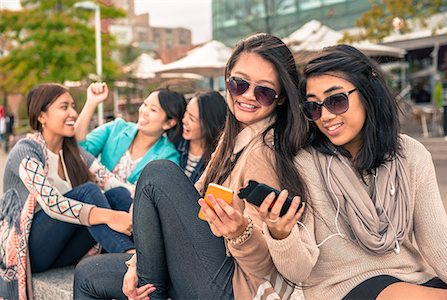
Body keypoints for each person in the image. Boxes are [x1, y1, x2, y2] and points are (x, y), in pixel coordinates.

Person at [73, 32, 310, 299]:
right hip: (201, 264)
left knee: (157, 174)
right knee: (88, 275)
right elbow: (194, 195)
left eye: (264, 91)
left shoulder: (265, 151)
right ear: (228, 81)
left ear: (280, 98)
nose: (248, 96)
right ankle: (150, 286)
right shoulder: (232, 139)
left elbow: (265, 265)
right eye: (239, 83)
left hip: (233, 285)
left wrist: (240, 232)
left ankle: (152, 292)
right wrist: (137, 262)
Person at [261, 45, 447, 300]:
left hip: (413, 281)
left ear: (368, 94)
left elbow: (437, 242)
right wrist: (281, 235)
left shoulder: (411, 154)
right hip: (344, 288)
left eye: (336, 100)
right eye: (314, 108)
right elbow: (298, 271)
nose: (325, 116)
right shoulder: (305, 165)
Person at [0, 83, 136, 300]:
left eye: (73, 106)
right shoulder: (25, 152)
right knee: (89, 192)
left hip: (62, 250)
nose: (73, 113)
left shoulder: (75, 154)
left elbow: (113, 183)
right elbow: (52, 203)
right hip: (30, 252)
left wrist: (147, 196)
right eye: (64, 107)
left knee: (117, 195)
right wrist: (111, 216)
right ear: (42, 116)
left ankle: (147, 254)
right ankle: (131, 258)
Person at [75, 83, 186, 184]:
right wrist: (91, 102)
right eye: (145, 104)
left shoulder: (168, 158)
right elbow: (78, 149)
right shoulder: (117, 128)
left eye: (153, 110)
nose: (144, 111)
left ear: (169, 123)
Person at [178, 90, 226, 183]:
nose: (184, 120)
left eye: (192, 119)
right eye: (186, 112)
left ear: (208, 124)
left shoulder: (217, 161)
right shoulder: (175, 146)